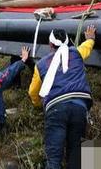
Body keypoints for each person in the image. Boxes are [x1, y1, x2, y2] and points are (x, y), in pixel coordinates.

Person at [28, 25, 96, 169]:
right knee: (75, 155)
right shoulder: (76, 53)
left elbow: (33, 92)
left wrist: (37, 104)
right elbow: (87, 46)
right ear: (67, 41)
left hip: (56, 109)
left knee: (53, 158)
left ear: (50, 44)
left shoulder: (40, 65)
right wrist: (90, 39)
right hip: (79, 107)